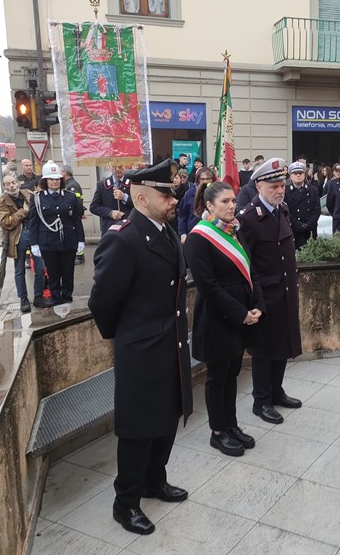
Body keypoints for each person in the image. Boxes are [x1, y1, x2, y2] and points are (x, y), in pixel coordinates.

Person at [89, 159, 193, 536]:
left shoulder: (165, 231)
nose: (173, 199)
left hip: (171, 343)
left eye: (174, 192)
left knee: (166, 418)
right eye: (166, 193)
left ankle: (154, 480)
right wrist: (130, 336)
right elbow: (102, 302)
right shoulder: (124, 237)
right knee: (137, 429)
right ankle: (126, 502)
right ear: (142, 196)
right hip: (141, 350)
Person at [186, 181, 263, 456]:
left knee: (233, 374)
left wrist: (257, 306)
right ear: (209, 206)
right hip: (218, 319)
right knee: (217, 377)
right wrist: (241, 314)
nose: (232, 206)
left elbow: (250, 271)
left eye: (233, 200)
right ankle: (218, 432)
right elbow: (208, 286)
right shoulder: (198, 237)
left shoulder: (235, 231)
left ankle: (232, 425)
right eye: (225, 202)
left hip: (242, 316)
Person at [237, 158, 302, 425]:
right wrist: (255, 301)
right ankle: (261, 401)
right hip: (264, 295)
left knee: (282, 344)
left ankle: (277, 391)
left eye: (282, 185)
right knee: (264, 351)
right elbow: (246, 264)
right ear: (259, 185)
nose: (280, 190)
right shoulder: (248, 219)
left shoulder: (282, 210)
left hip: (285, 291)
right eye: (274, 185)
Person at [28, 161, 85, 306]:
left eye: (57, 179)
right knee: (53, 273)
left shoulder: (70, 196)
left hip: (68, 240)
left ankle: (67, 296)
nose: (54, 182)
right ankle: (55, 297)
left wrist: (81, 240)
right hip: (48, 241)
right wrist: (33, 244)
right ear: (45, 181)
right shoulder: (37, 198)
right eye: (51, 179)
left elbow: (76, 219)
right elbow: (33, 222)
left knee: (68, 272)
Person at [0, 174, 50, 313]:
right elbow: (5, 223)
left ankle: (38, 297)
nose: (11, 186)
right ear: (4, 187)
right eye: (7, 184)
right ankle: (23, 299)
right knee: (19, 271)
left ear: (18, 183)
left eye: (13, 182)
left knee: (40, 267)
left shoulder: (29, 194)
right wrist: (23, 211)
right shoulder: (1, 201)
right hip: (17, 238)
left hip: (34, 235)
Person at [284, 161, 321, 249]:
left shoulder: (313, 190)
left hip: (309, 231)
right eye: (295, 173)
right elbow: (285, 211)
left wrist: (308, 225)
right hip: (293, 230)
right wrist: (297, 225)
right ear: (290, 176)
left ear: (304, 175)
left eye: (300, 173)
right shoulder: (286, 191)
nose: (298, 175)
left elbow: (317, 210)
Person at [90, 164, 133, 235]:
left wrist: (124, 197)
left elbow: (139, 204)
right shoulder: (102, 185)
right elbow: (93, 207)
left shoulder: (133, 183)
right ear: (109, 168)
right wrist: (110, 213)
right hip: (109, 229)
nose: (118, 170)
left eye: (120, 166)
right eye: (114, 166)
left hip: (128, 228)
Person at [178, 167, 215, 241]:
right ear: (198, 180)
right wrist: (183, 234)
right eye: (203, 179)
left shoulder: (217, 193)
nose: (205, 181)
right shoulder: (190, 193)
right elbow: (182, 215)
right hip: (193, 233)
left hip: (213, 234)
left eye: (208, 179)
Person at [61, 164, 87, 265]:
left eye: (60, 171)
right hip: (73, 214)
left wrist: (80, 213)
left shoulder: (72, 185)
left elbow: (77, 202)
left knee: (76, 233)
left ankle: (79, 256)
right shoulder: (68, 183)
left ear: (65, 173)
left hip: (73, 215)